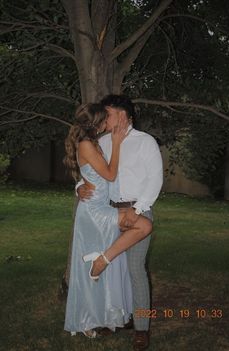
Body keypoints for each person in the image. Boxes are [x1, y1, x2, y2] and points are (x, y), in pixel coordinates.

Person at [77, 95, 163, 350]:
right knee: (113, 272)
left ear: (124, 116)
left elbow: (155, 180)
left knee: (135, 270)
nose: (105, 119)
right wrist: (79, 187)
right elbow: (90, 173)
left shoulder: (145, 142)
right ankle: (114, 318)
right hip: (106, 213)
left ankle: (141, 328)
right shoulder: (101, 142)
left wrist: (138, 210)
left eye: (109, 114)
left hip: (139, 211)